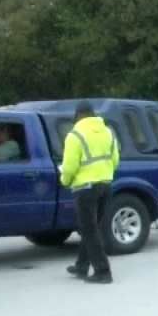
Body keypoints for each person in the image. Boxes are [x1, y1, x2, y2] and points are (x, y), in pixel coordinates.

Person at [61, 101, 120, 284]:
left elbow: (69, 167)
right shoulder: (108, 132)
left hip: (85, 188)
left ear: (78, 115)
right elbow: (115, 160)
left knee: (89, 230)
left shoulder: (75, 135)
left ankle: (103, 272)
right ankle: (81, 266)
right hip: (105, 185)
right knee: (93, 228)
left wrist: (65, 180)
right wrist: (103, 174)